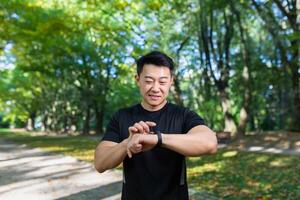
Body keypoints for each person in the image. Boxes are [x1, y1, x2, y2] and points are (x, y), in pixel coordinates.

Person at [94, 51, 218, 200]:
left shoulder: (183, 115)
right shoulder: (122, 117)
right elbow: (100, 163)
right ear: (137, 80)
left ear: (171, 81)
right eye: (148, 81)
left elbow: (210, 143)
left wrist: (157, 139)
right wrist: (128, 142)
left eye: (162, 81)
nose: (155, 88)